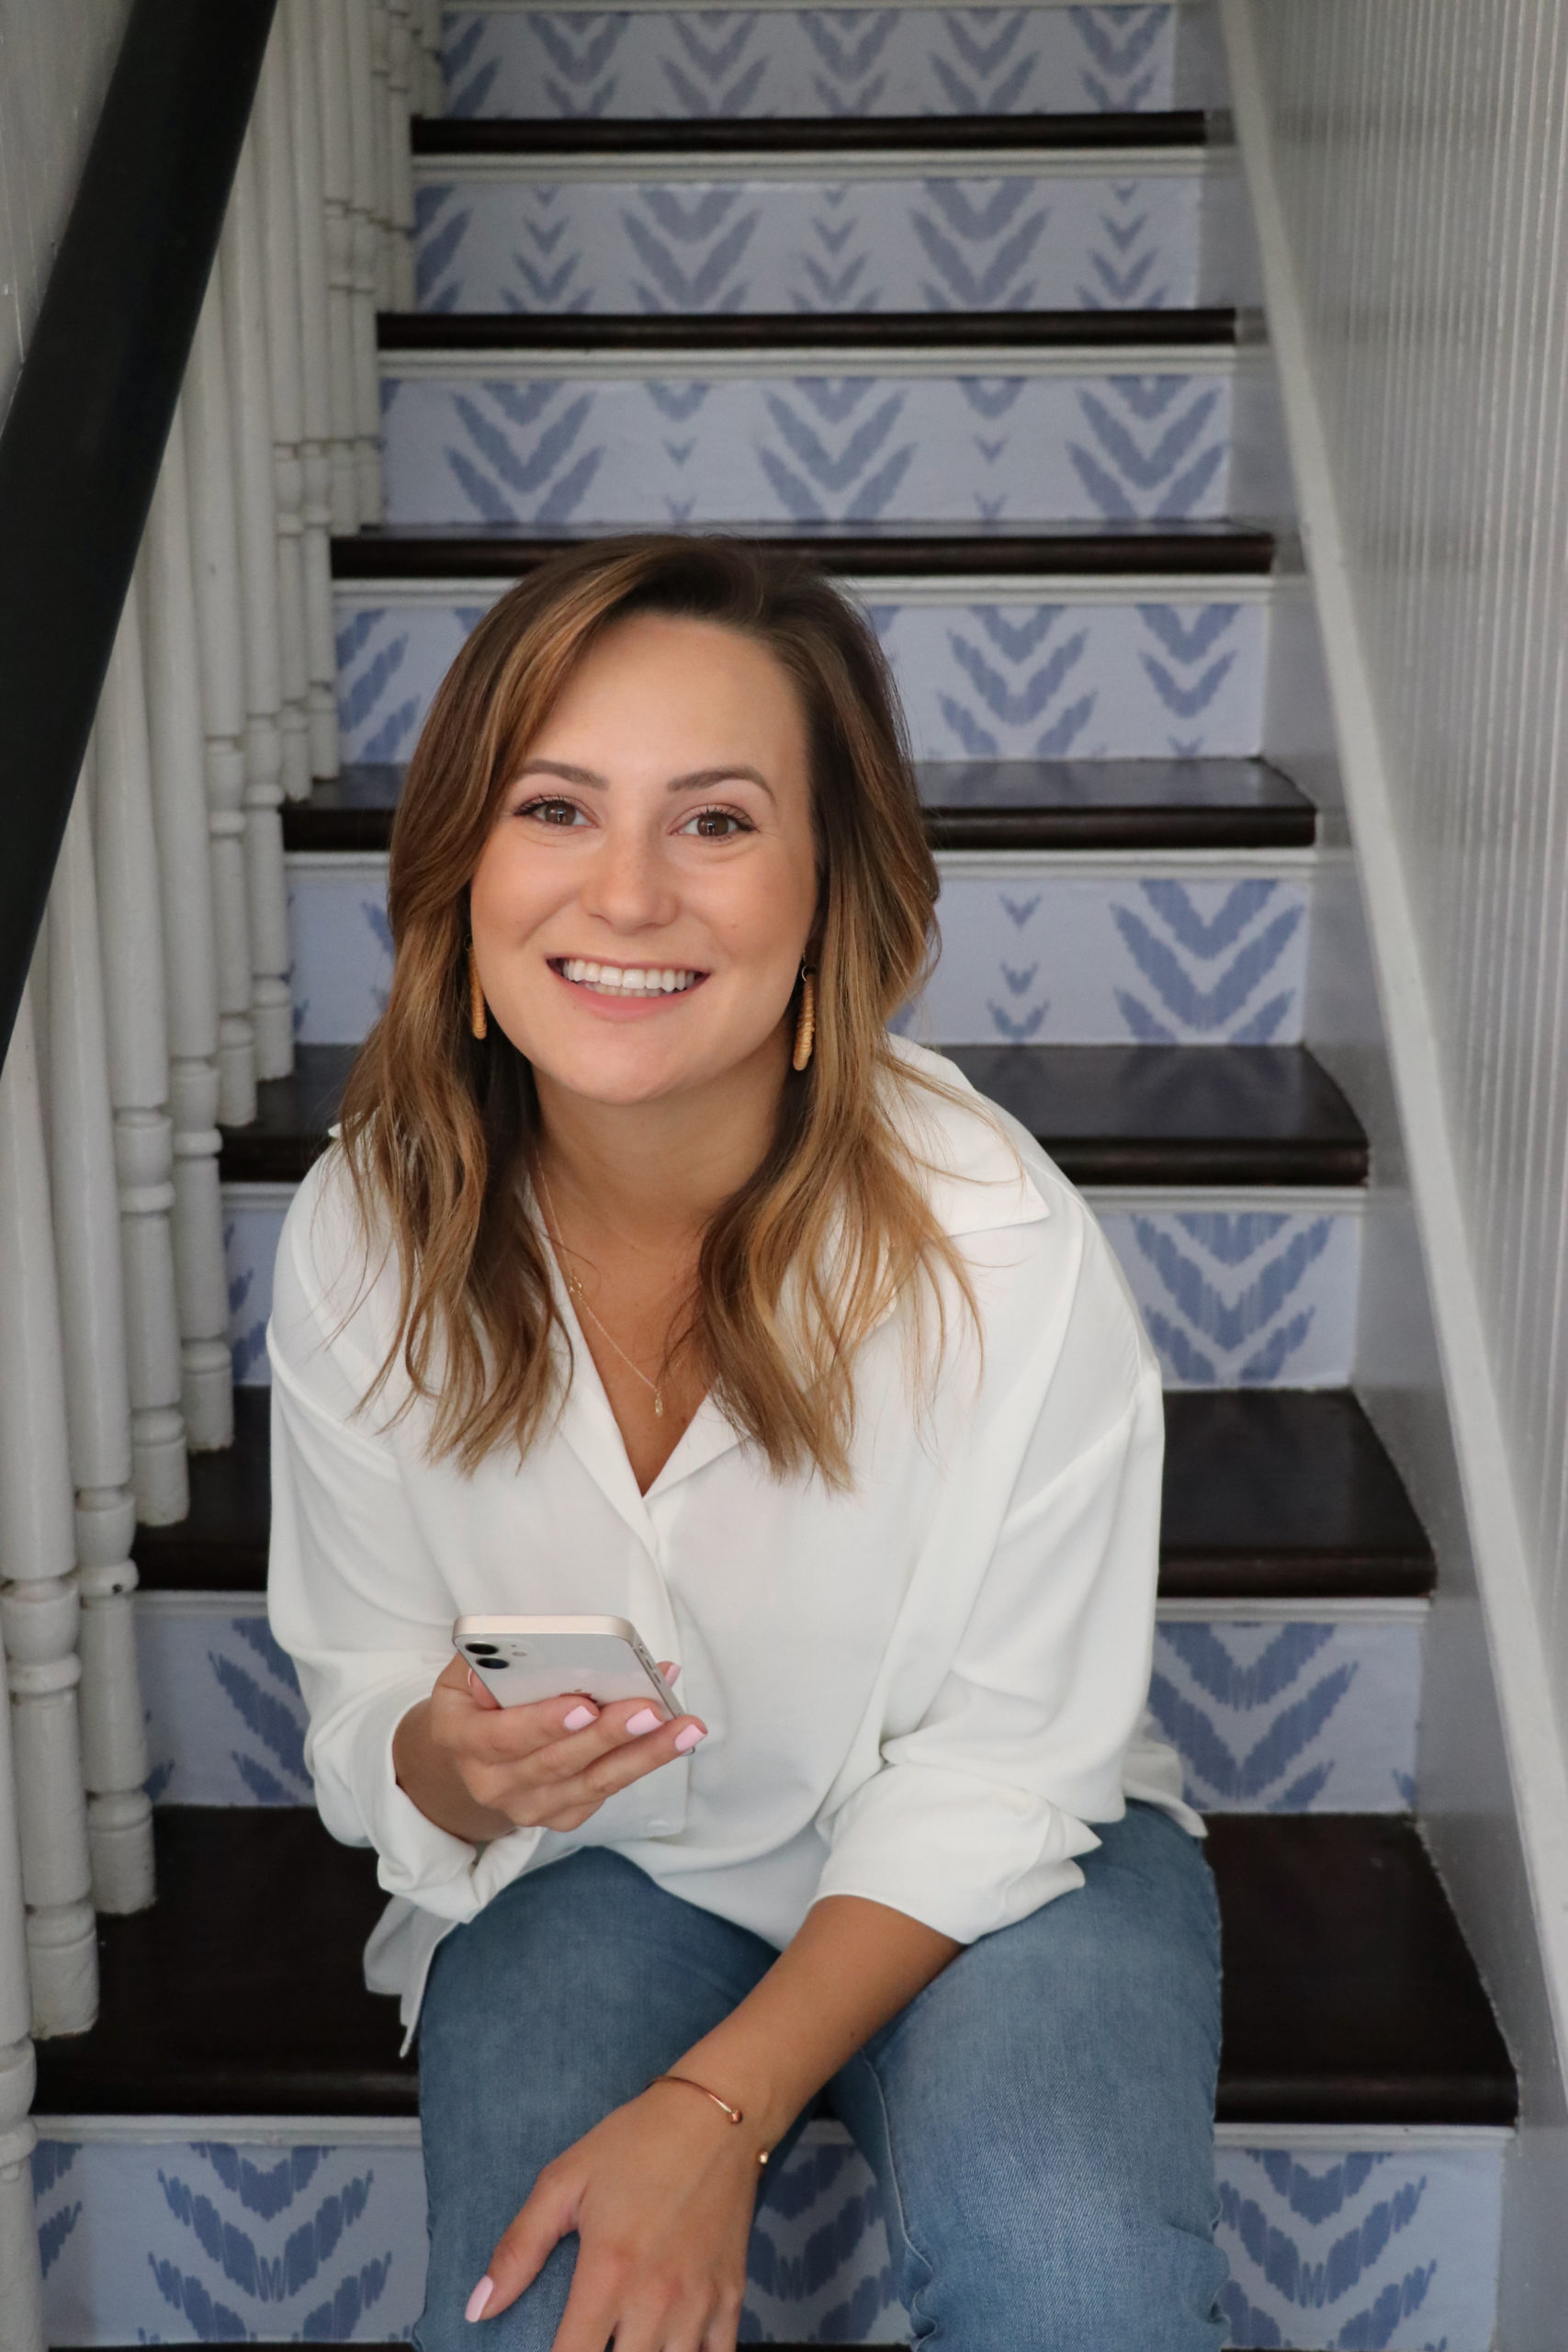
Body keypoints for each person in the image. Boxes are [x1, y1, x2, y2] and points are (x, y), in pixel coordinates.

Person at [267, 533, 1229, 2352]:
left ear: (824, 888)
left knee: (1073, 2280)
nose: (624, 894)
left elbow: (1011, 1762)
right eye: (556, 806)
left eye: (713, 821)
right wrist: (456, 1765)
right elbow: (362, 1697)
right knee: (527, 2313)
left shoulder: (993, 1237)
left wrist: (717, 2110)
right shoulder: (364, 1231)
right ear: (466, 866)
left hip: (990, 1858)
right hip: (600, 1872)